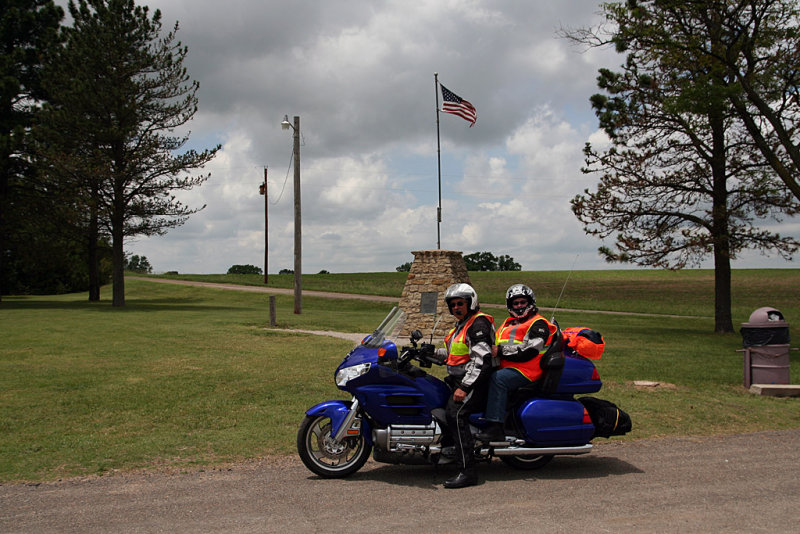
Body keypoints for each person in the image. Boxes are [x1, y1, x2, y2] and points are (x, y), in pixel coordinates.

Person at [475, 284, 557, 443]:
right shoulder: (508, 323)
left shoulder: (538, 323)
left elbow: (530, 351)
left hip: (528, 371)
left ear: (530, 302)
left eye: (522, 302)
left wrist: (500, 351)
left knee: (498, 379)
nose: (519, 306)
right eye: (515, 303)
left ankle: (495, 428)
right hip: (509, 367)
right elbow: (494, 343)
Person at [435, 282, 495, 489]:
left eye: (460, 303)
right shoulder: (460, 327)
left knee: (456, 414)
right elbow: (453, 356)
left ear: (471, 302)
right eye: (452, 305)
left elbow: (482, 360)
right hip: (460, 380)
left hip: (476, 383)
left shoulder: (478, 324)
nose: (456, 308)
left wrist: (465, 387)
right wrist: (428, 353)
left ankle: (468, 471)